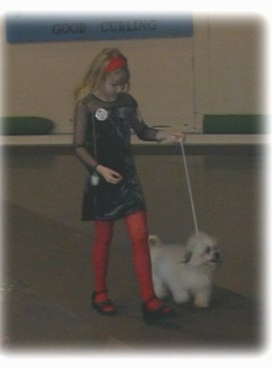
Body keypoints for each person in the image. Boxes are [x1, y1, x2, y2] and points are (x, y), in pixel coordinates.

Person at [73, 47, 185, 321]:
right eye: (112, 84)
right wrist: (99, 168)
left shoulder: (127, 102)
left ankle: (149, 300)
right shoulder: (86, 106)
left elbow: (143, 131)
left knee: (140, 236)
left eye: (121, 85)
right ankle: (99, 292)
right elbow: (78, 146)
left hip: (128, 179)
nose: (116, 90)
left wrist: (165, 136)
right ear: (99, 77)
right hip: (102, 180)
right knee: (104, 237)